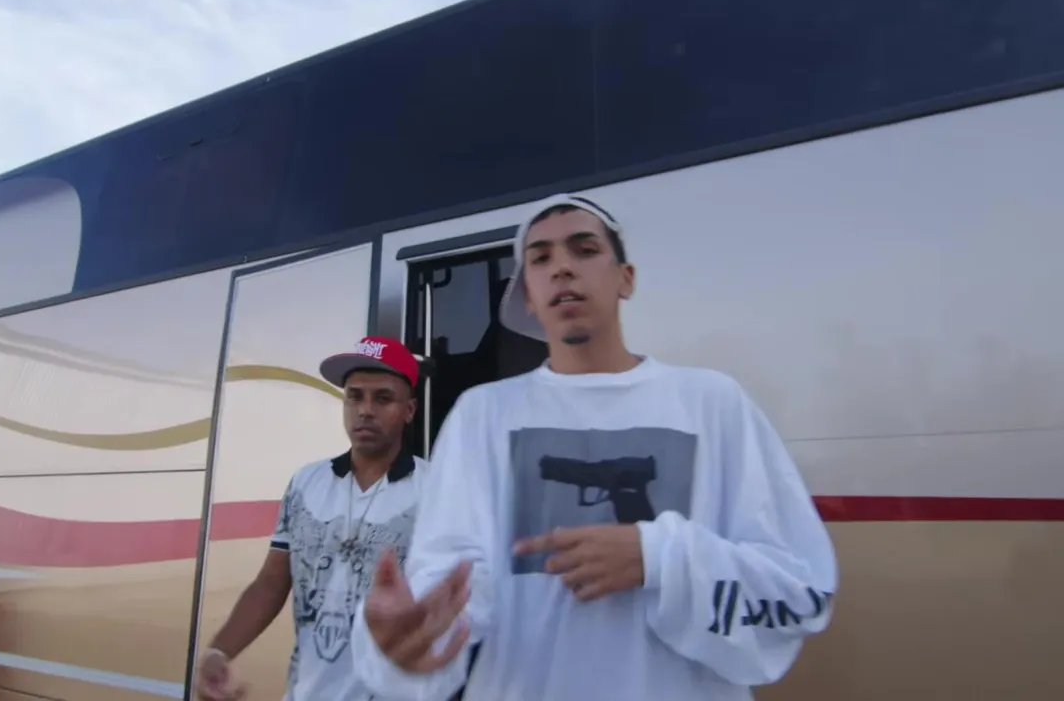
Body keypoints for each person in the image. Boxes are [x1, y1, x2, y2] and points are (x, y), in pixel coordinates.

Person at [349, 194, 838, 700]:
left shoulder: (714, 402)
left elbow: (801, 592)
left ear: (626, 278)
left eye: (584, 250)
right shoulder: (482, 414)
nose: (561, 267)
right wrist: (407, 639)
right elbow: (453, 584)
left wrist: (657, 556)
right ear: (529, 297)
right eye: (541, 258)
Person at [195, 336, 429, 701]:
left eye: (383, 398)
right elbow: (271, 583)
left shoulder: (437, 488)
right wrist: (219, 651)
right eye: (354, 396)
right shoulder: (307, 483)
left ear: (409, 410)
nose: (365, 410)